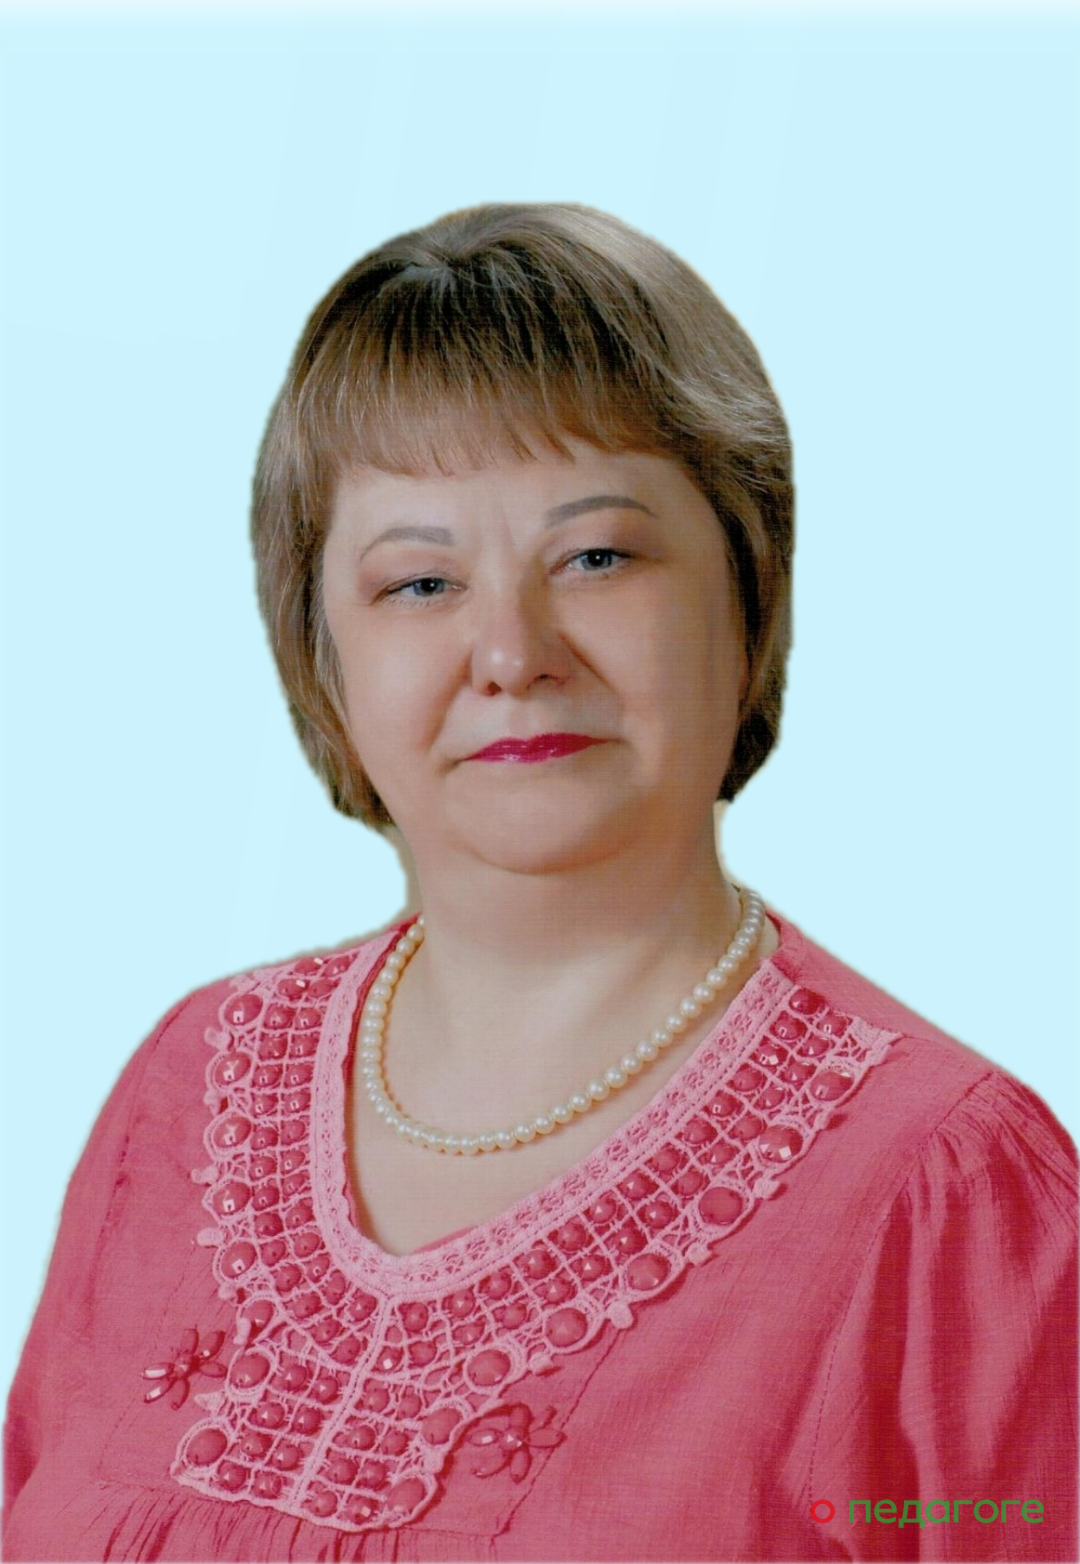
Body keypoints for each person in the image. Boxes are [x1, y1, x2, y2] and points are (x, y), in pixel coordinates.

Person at [3, 203, 1075, 1564]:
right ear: (321, 651)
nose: (511, 652)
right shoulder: (189, 1085)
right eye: (420, 582)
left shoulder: (947, 1191)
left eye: (597, 557)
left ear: (748, 595)